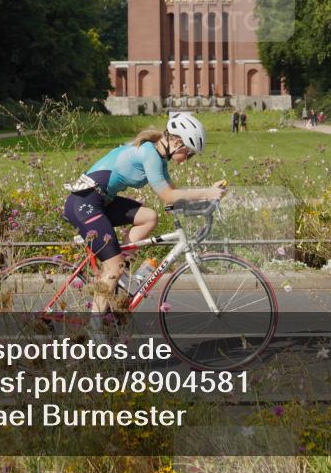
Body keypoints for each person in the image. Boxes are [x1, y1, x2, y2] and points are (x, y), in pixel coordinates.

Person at [62, 112, 226, 324]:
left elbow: (173, 198)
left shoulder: (159, 158)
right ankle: (95, 331)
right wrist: (206, 193)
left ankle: (120, 272)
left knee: (149, 217)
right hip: (84, 203)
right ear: (176, 141)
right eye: (189, 153)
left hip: (101, 201)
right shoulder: (149, 154)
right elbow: (168, 195)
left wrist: (206, 199)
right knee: (113, 267)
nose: (187, 159)